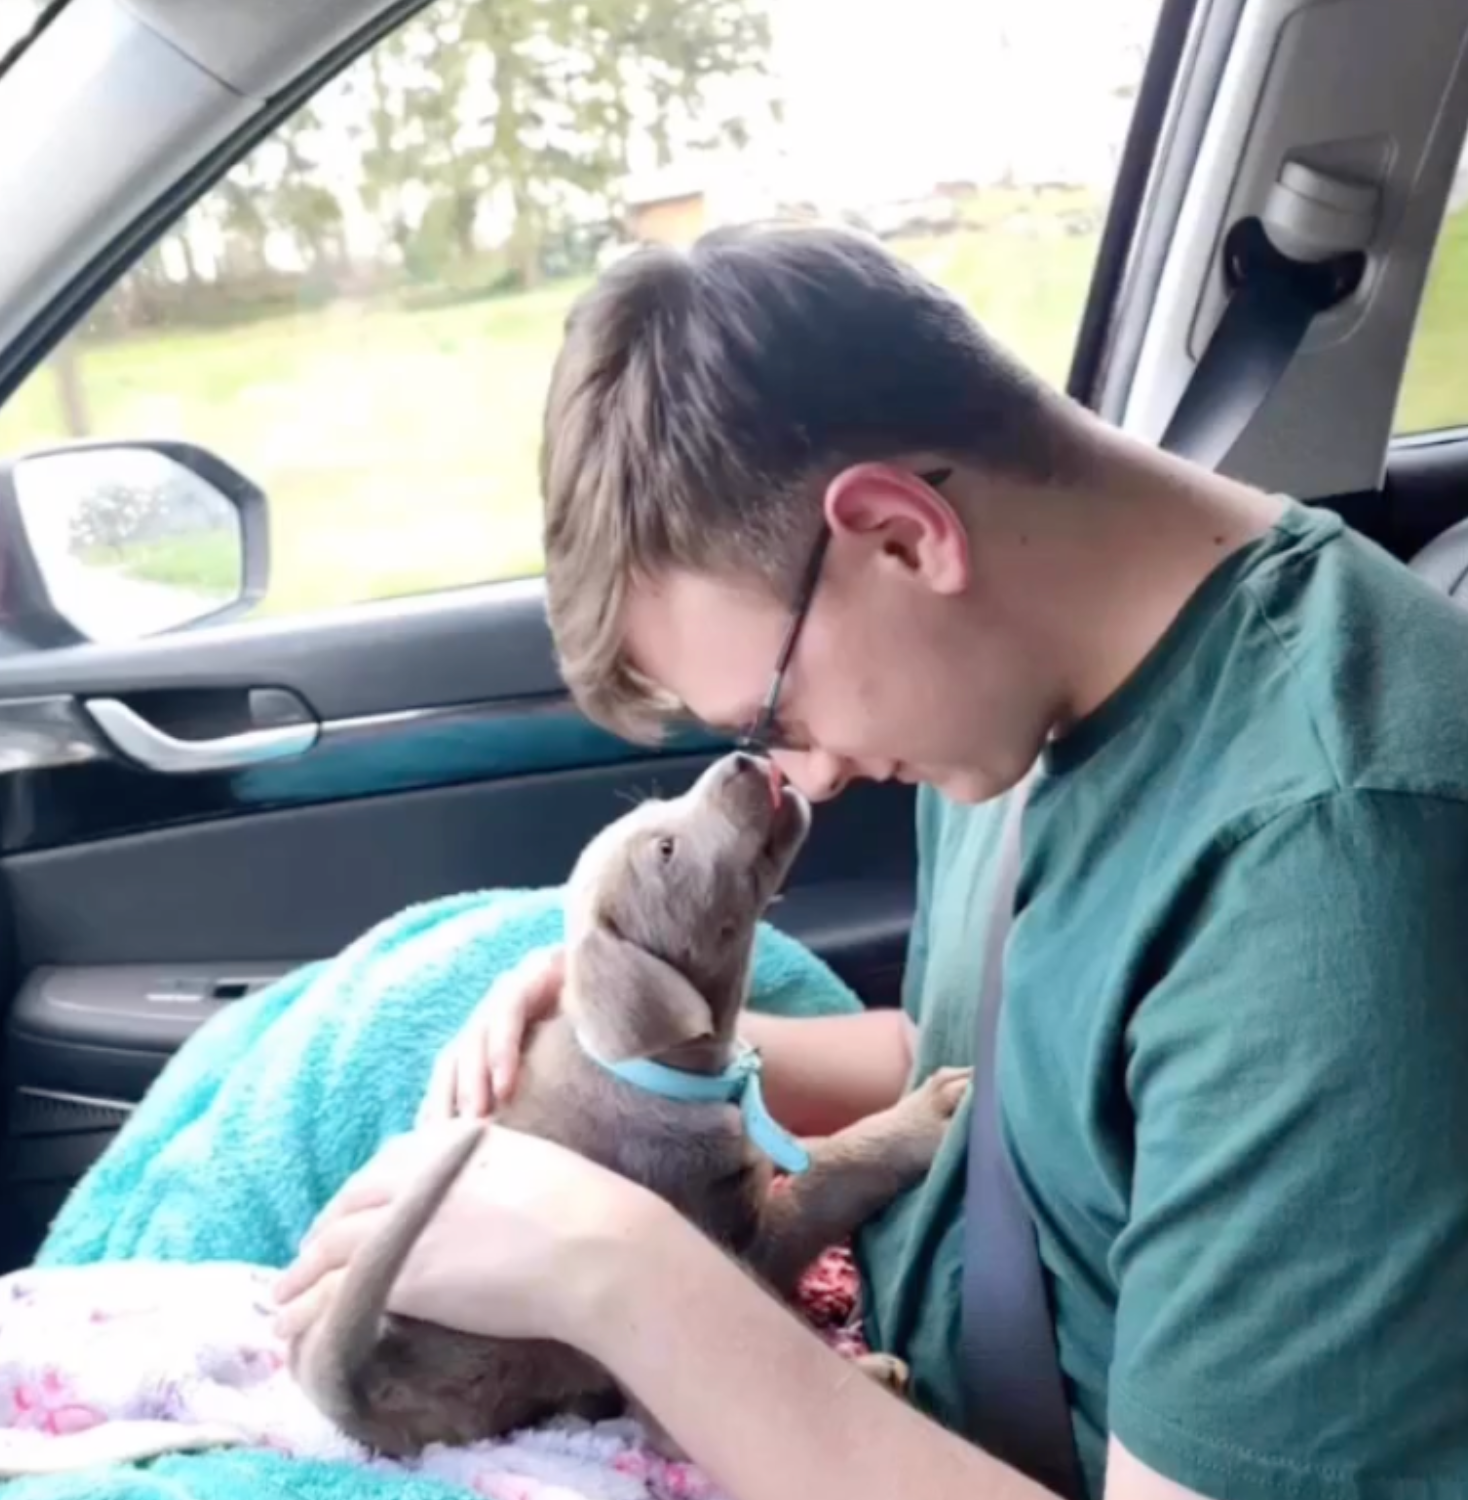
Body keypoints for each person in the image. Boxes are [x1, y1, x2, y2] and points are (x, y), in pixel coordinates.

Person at [274, 221, 1468, 1500]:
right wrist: (622, 1080)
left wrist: (607, 1266)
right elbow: (1031, 1075)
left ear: (902, 537)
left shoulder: (1333, 859)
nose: (807, 776)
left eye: (775, 719)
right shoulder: (1016, 694)